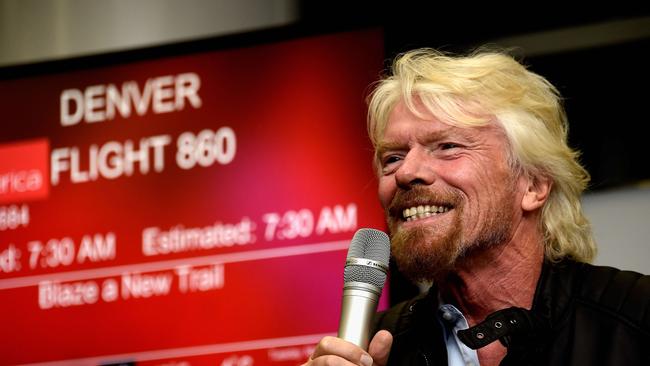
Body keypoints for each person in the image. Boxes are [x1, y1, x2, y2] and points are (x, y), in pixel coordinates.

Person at [304, 48, 649, 366]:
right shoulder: (376, 351)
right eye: (392, 158)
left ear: (533, 184)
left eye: (448, 146)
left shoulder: (635, 318)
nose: (406, 172)